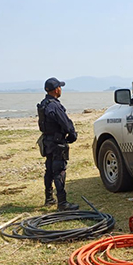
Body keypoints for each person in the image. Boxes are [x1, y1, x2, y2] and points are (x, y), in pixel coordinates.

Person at [37, 77, 79, 211]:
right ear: (56, 90)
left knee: (49, 169)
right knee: (59, 170)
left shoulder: (44, 104)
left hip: (47, 141)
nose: (61, 89)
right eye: (60, 87)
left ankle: (49, 198)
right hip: (57, 143)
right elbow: (66, 124)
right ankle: (62, 203)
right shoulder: (54, 106)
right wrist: (72, 135)